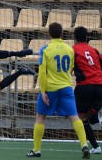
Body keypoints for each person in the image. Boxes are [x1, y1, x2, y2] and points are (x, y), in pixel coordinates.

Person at [26, 23, 90, 159]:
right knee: (74, 117)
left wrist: (43, 91)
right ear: (62, 34)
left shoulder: (46, 49)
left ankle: (36, 150)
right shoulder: (69, 49)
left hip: (50, 89)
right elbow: (71, 67)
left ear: (49, 34)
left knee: (40, 117)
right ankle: (84, 144)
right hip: (66, 88)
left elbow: (42, 73)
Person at [73, 26, 102, 154]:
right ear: (86, 38)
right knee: (92, 115)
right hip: (100, 85)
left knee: (81, 117)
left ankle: (96, 147)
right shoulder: (94, 50)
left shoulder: (73, 50)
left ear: (74, 38)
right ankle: (98, 117)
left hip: (85, 86)